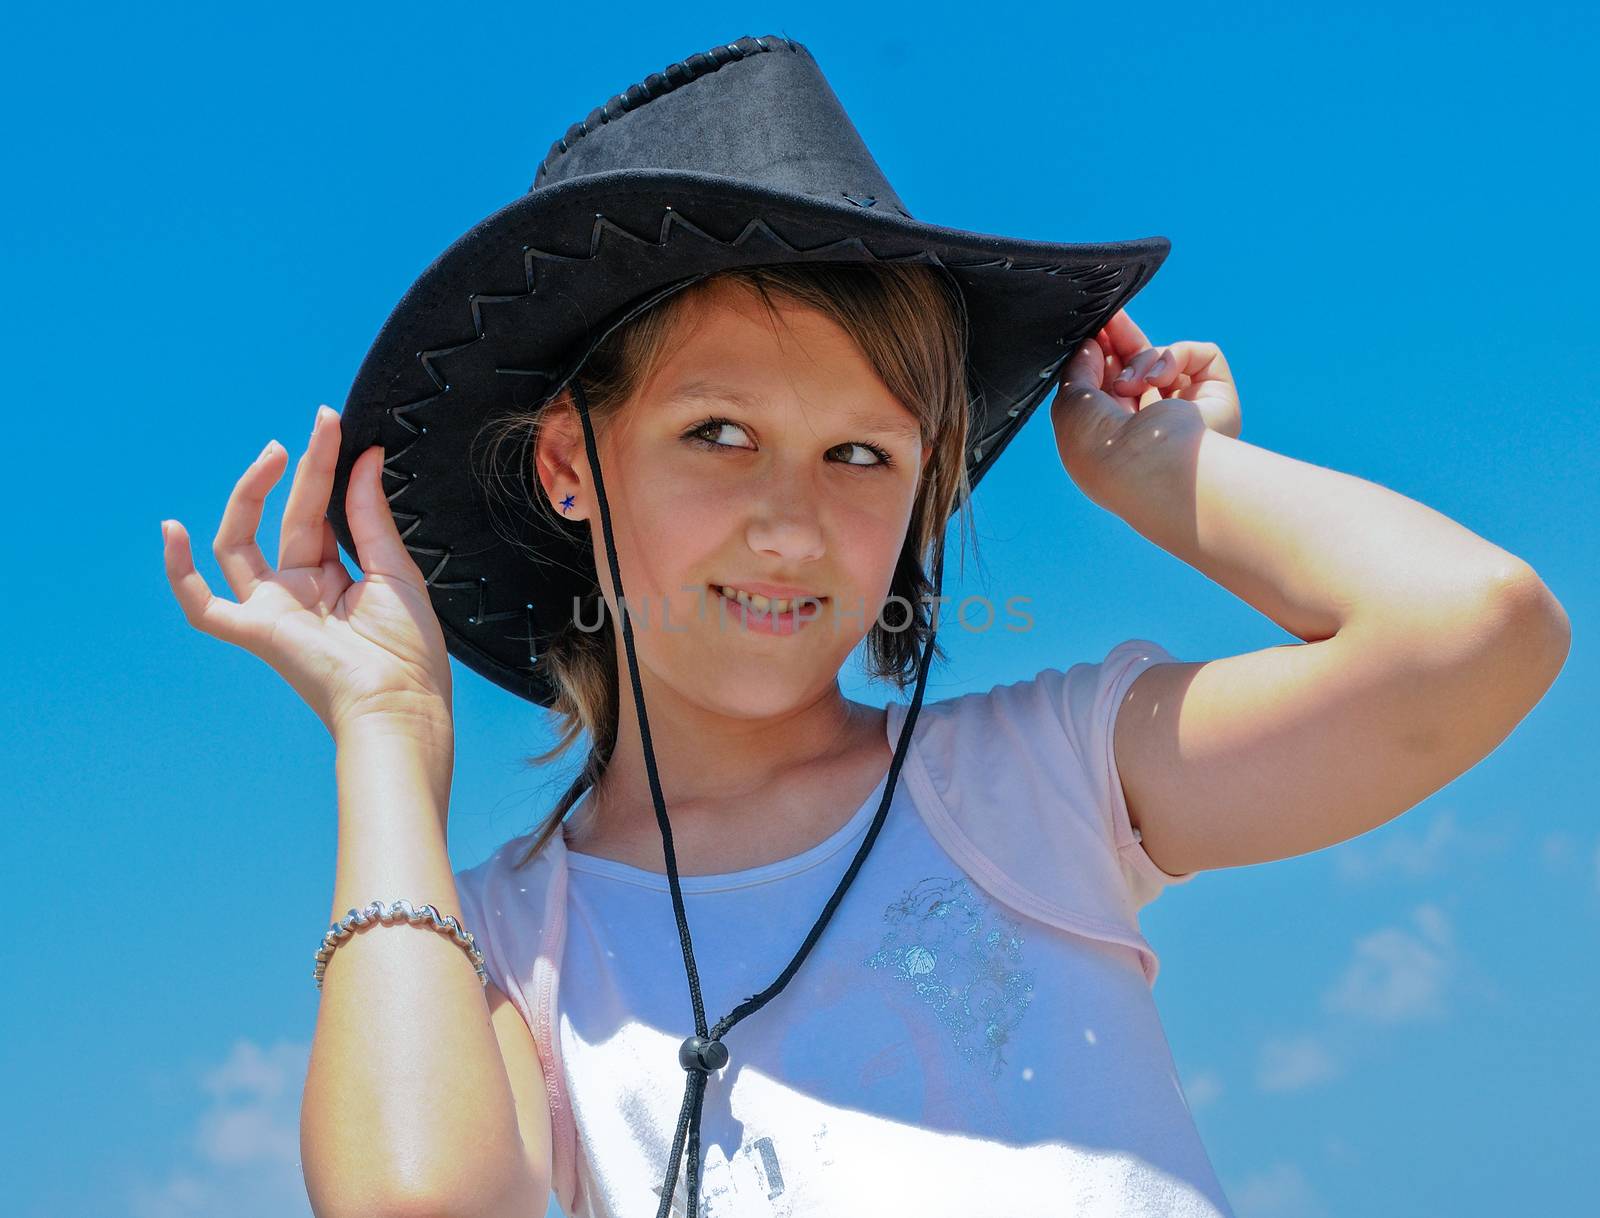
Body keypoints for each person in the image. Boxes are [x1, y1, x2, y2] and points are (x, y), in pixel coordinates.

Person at [159, 34, 1570, 1218]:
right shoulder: (515, 945)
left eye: (863, 456)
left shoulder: (1046, 781)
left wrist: (1164, 474)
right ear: (569, 464)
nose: (791, 522)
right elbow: (421, 1201)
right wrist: (389, 739)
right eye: (719, 433)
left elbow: (1476, 633)